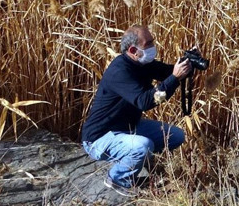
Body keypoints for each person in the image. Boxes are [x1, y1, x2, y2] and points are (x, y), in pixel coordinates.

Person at [81, 25, 193, 196]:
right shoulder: (120, 71)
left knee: (176, 136)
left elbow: (168, 74)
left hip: (128, 127)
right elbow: (146, 102)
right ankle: (117, 179)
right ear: (133, 50)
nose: (153, 46)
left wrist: (188, 62)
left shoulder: (142, 63)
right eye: (148, 43)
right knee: (143, 146)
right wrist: (175, 78)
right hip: (100, 138)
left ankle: (142, 163)